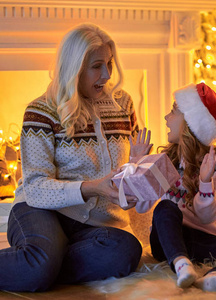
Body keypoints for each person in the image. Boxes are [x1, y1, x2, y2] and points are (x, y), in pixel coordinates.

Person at [0, 23, 148, 292]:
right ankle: (42, 261)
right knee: (41, 263)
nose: (106, 74)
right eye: (97, 65)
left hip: (93, 225)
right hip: (40, 210)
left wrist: (137, 177)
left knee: (126, 249)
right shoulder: (41, 111)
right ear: (74, 68)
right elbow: (34, 188)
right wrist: (92, 187)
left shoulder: (122, 104)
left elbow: (128, 173)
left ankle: (43, 262)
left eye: (110, 63)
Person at [134, 83, 216, 293]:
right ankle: (181, 264)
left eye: (173, 111)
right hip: (166, 241)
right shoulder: (165, 160)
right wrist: (138, 165)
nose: (166, 117)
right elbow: (141, 207)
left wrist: (204, 181)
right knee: (165, 206)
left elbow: (206, 218)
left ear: (190, 123)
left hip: (204, 240)